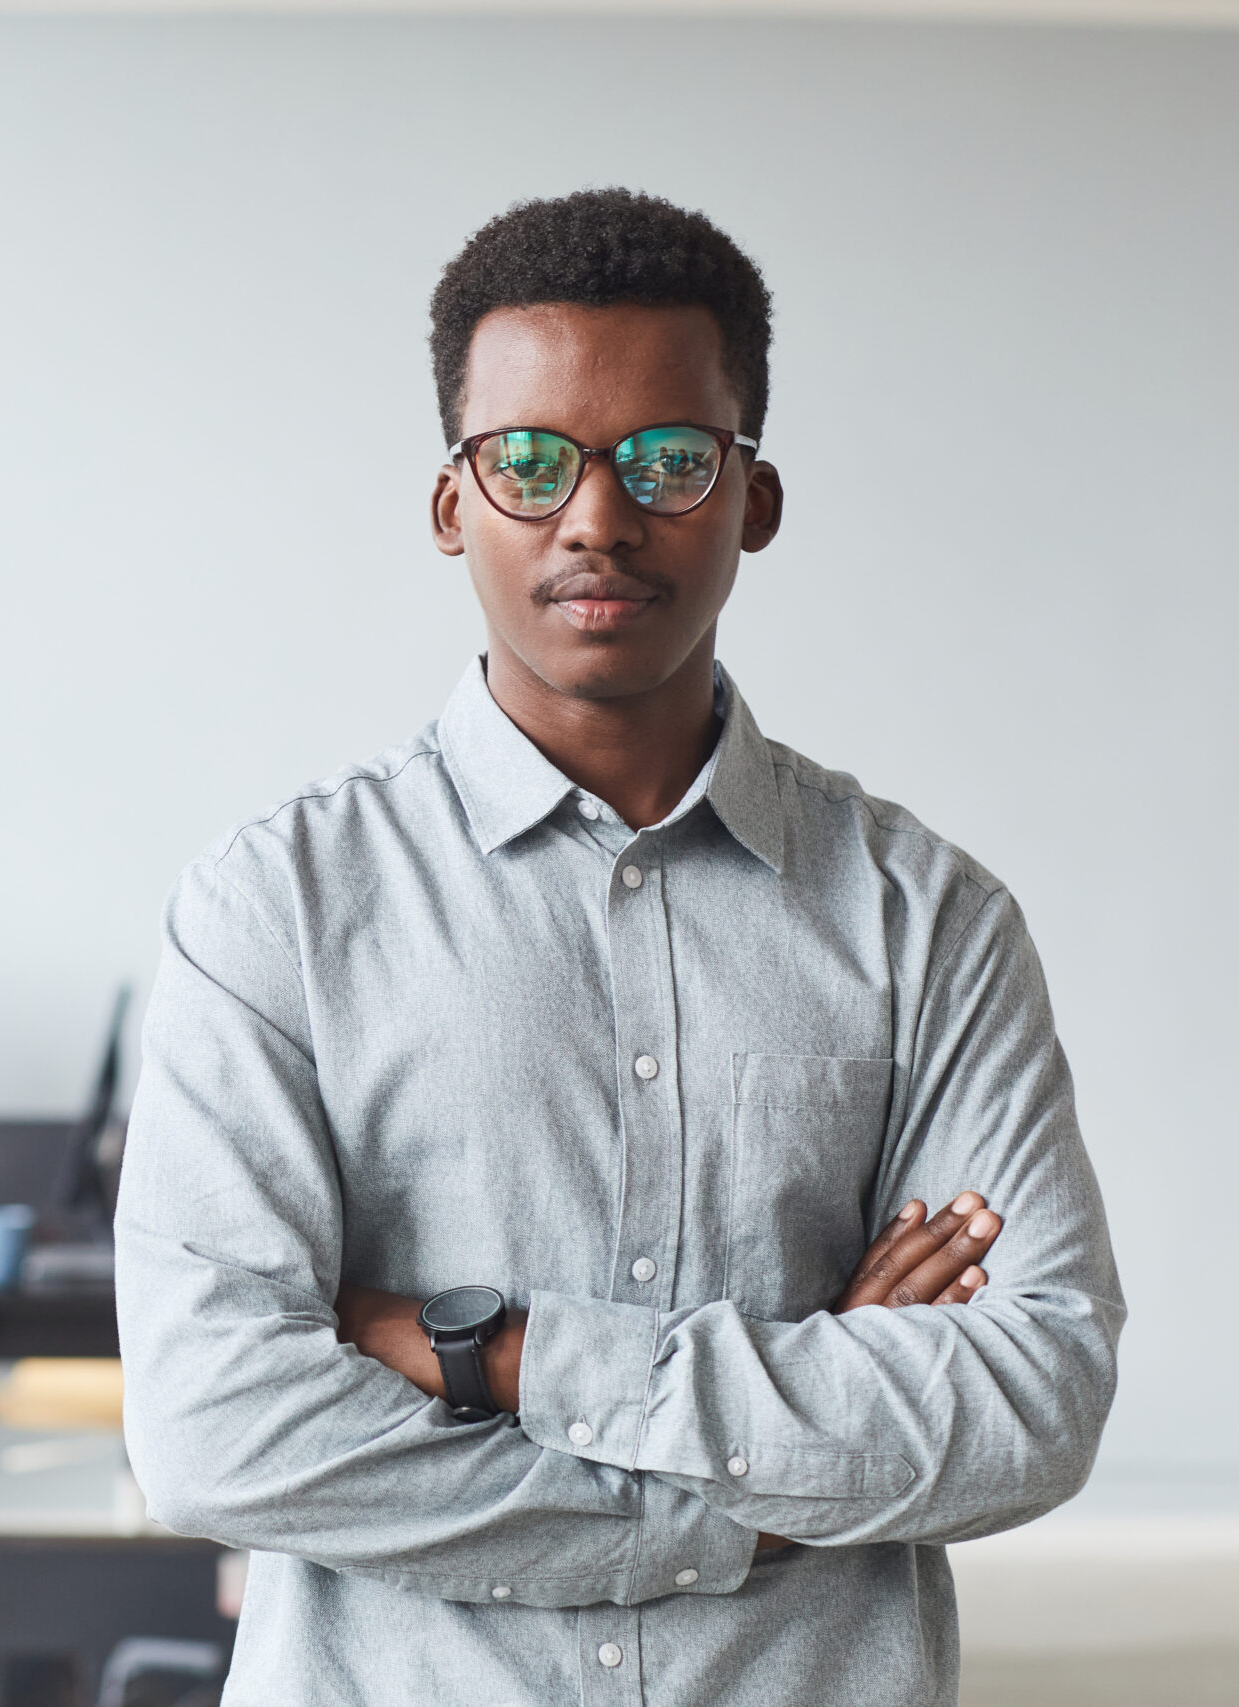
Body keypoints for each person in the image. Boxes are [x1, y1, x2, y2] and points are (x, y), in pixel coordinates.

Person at [114, 189, 1122, 1707]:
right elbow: (215, 1425)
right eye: (528, 461)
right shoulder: (276, 908)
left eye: (667, 458)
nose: (596, 516)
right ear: (454, 502)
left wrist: (505, 1353)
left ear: (751, 498)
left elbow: (1031, 1392)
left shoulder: (930, 919)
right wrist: (743, 1491)